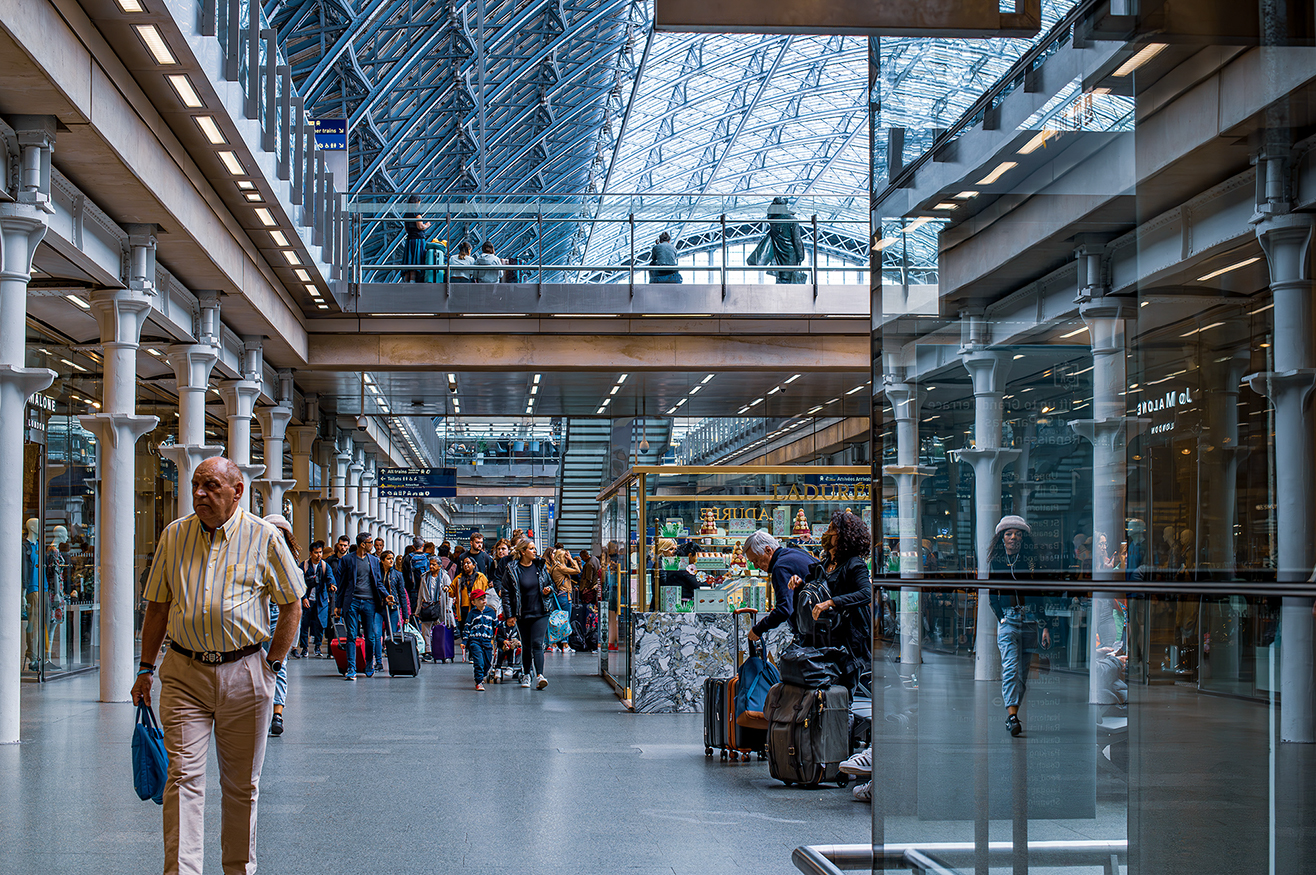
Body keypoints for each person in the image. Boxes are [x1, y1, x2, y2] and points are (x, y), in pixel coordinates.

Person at [130, 457, 304, 875]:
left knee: (241, 787)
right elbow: (158, 606)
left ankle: (237, 869)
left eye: (210, 485)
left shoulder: (263, 537)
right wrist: (144, 668)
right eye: (195, 485)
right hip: (183, 673)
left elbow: (292, 604)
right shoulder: (175, 536)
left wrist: (272, 665)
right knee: (182, 780)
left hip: (245, 671)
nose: (199, 494)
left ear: (237, 491)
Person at [987, 514, 1048, 738]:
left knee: (1021, 674)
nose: (1013, 537)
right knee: (1010, 668)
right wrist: (1001, 616)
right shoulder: (997, 561)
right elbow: (992, 593)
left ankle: (1013, 712)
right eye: (1009, 534)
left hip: (1030, 620)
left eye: (1018, 534)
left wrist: (1045, 625)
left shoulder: (1030, 561)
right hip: (1009, 621)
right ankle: (1012, 717)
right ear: (1001, 538)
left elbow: (1038, 593)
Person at [803, 511, 873, 694]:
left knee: (843, 689)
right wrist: (799, 584)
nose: (826, 533)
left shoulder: (854, 564)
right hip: (824, 635)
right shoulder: (824, 564)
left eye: (831, 529)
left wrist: (832, 602)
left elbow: (867, 593)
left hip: (848, 638)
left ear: (843, 536)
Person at [333, 531, 395, 680]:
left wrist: (386, 595)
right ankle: (351, 668)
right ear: (362, 544)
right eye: (370, 542)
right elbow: (341, 584)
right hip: (352, 601)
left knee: (371, 636)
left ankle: (369, 665)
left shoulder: (373, 560)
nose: (373, 545)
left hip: (369, 602)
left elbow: (378, 582)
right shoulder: (348, 560)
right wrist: (338, 605)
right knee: (351, 635)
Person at [262, 514, 299, 737]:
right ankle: (265, 711)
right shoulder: (255, 554)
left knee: (278, 662)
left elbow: (294, 603)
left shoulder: (290, 562)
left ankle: (277, 712)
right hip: (258, 614)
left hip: (278, 613)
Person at [744, 529, 813, 644]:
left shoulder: (780, 567)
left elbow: (784, 609)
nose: (756, 566)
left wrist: (758, 629)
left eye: (756, 560)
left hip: (813, 631)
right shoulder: (794, 553)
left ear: (768, 550)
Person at [502, 538, 554, 689]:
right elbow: (506, 593)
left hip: (541, 611)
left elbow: (551, 584)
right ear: (523, 551)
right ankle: (526, 673)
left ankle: (539, 676)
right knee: (526, 645)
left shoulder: (540, 566)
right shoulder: (512, 569)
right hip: (522, 613)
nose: (535, 551)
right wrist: (509, 615)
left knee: (537, 643)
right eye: (531, 549)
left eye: (535, 548)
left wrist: (548, 590)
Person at [748, 197, 805, 283]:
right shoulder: (792, 220)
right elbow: (797, 240)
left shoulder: (773, 220)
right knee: (788, 278)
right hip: (790, 254)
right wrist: (800, 256)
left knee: (781, 277)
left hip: (778, 251)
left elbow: (770, 213)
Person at [295, 540, 331, 658]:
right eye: (316, 552)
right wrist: (304, 598)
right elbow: (299, 583)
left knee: (320, 624)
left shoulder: (325, 566)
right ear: (311, 553)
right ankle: (305, 648)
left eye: (320, 552)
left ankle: (317, 647)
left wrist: (332, 585)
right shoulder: (304, 565)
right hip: (308, 600)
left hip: (321, 600)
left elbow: (330, 578)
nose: (319, 555)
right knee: (305, 624)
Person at [417, 555, 454, 661]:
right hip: (427, 606)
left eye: (434, 564)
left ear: (439, 566)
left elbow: (450, 593)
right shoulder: (424, 577)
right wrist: (418, 610)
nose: (431, 566)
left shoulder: (444, 577)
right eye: (430, 564)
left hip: (440, 606)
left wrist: (448, 607)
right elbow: (420, 594)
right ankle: (428, 651)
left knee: (439, 629)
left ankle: (439, 650)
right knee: (426, 629)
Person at [450, 554, 489, 650]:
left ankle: (474, 648)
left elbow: (486, 589)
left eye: (468, 563)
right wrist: (447, 589)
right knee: (465, 627)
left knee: (476, 627)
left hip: (476, 607)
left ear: (474, 565)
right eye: (464, 564)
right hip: (464, 607)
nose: (466, 565)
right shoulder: (459, 578)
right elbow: (452, 590)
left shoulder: (481, 577)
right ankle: (467, 646)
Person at [463, 589, 497, 690]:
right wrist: (464, 641)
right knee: (479, 661)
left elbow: (496, 626)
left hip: (487, 641)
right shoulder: (472, 614)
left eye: (484, 598)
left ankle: (482, 675)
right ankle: (478, 681)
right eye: (480, 599)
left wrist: (498, 638)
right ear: (474, 602)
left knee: (487, 662)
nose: (483, 601)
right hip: (475, 641)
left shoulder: (491, 612)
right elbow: (467, 627)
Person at [402, 194, 431, 282]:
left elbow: (406, 229)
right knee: (416, 260)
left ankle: (407, 280)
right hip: (418, 240)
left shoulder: (406, 215)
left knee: (409, 260)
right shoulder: (417, 214)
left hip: (410, 240)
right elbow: (420, 227)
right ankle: (413, 280)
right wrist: (427, 225)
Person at [494, 615, 522, 682]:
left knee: (511, 651)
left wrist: (518, 642)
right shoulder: (501, 626)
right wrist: (504, 641)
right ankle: (498, 668)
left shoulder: (516, 627)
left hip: (512, 645)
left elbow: (519, 637)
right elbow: (498, 637)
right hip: (502, 644)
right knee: (500, 652)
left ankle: (510, 666)